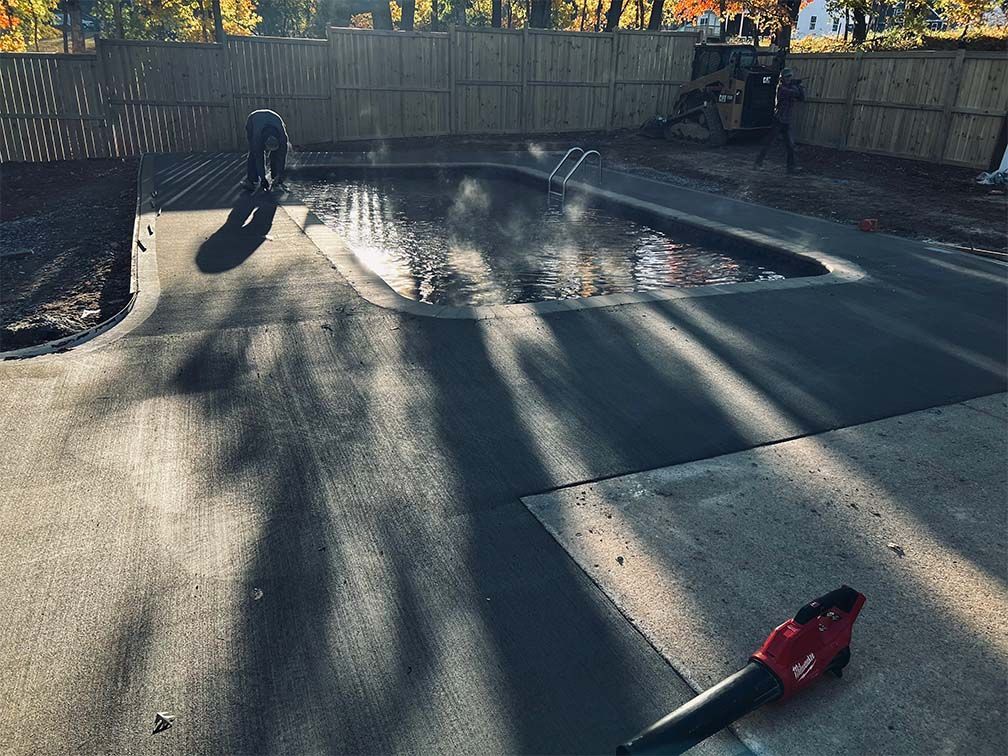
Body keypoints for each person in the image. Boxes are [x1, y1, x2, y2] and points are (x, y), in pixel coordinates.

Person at [754, 68, 805, 174]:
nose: (789, 79)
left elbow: (801, 98)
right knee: (769, 143)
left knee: (790, 146)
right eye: (787, 77)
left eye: (790, 77)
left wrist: (799, 87)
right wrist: (797, 87)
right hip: (779, 119)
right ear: (782, 78)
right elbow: (792, 93)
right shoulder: (781, 88)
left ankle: (790, 168)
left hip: (786, 120)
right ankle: (758, 163)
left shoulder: (789, 87)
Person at [243, 109, 289, 192]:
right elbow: (259, 158)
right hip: (254, 118)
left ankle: (275, 176)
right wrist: (263, 178)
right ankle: (251, 179)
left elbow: (282, 157)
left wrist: (279, 175)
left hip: (274, 117)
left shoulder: (283, 137)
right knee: (254, 152)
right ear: (264, 143)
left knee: (276, 155)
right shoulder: (257, 139)